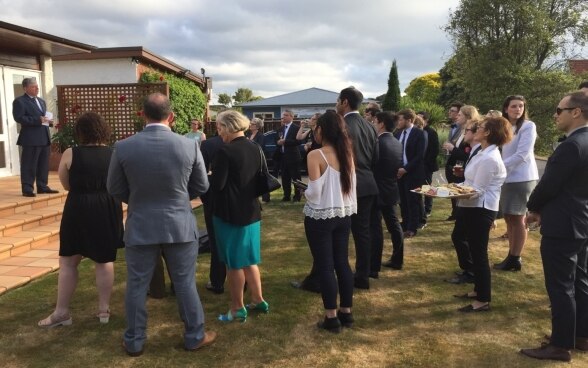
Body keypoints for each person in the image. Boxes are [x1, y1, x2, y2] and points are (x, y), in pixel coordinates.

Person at [107, 93, 215, 355]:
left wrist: (138, 200)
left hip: (141, 223)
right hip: (179, 224)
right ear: (172, 116)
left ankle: (134, 341)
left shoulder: (123, 147)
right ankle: (194, 335)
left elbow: (114, 188)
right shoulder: (189, 146)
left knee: (136, 285)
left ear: (142, 115)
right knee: (185, 283)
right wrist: (178, 198)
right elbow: (202, 186)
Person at [37, 112, 124, 328]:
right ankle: (104, 310)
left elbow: (66, 184)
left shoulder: (70, 153)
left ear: (81, 132)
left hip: (79, 205)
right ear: (104, 130)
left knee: (68, 260)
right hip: (107, 206)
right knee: (104, 260)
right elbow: (119, 183)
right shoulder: (114, 154)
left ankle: (62, 312)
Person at [520, 91, 588, 362]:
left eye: (559, 110)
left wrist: (533, 207)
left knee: (560, 285)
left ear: (576, 112)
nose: (555, 115)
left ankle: (560, 345)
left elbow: (549, 184)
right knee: (580, 280)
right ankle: (581, 334)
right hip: (581, 221)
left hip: (563, 223)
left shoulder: (572, 145)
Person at [210, 110, 268, 322]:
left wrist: (211, 175)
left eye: (219, 127)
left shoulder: (225, 152)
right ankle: (258, 299)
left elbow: (218, 185)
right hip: (251, 210)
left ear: (227, 127)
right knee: (250, 260)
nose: (218, 132)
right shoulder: (255, 146)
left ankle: (237, 308)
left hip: (229, 213)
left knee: (233, 263)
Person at [303, 111, 357, 333]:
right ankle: (346, 311)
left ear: (321, 130)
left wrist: (304, 191)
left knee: (325, 266)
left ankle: (331, 317)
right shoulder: (347, 153)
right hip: (343, 215)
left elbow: (314, 193)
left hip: (320, 216)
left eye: (315, 127)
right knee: (342, 263)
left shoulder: (316, 155)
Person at [454, 116, 512, 312]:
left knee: (479, 253)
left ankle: (483, 299)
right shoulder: (482, 153)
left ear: (487, 133)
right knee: (468, 244)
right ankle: (478, 289)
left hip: (481, 208)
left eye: (480, 127)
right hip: (471, 206)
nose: (476, 129)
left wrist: (452, 193)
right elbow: (470, 183)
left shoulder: (489, 158)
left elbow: (478, 190)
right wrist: (450, 187)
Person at [335, 86, 378, 289]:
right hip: (368, 182)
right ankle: (363, 275)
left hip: (349, 184)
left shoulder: (342, 125)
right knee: (363, 232)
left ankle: (341, 273)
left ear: (345, 102)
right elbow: (375, 158)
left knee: (340, 232)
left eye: (337, 101)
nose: (336, 104)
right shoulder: (370, 126)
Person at [494, 95, 539, 271]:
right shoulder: (506, 126)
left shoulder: (528, 126)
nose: (517, 109)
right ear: (506, 108)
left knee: (519, 218)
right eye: (514, 106)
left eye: (521, 106)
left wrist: (498, 167)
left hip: (523, 178)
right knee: (509, 218)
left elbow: (523, 154)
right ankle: (511, 255)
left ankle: (515, 258)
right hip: (507, 177)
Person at [445, 120, 481, 285]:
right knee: (460, 236)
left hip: (476, 203)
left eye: (467, 131)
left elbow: (479, 184)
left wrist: (456, 188)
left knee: (461, 237)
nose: (464, 133)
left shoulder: (481, 152)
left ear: (475, 134)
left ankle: (471, 271)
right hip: (467, 199)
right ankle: (469, 269)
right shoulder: (474, 150)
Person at [12, 77, 59, 197]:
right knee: (29, 164)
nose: (37, 88)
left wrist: (49, 121)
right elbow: (19, 118)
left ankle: (42, 186)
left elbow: (43, 117)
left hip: (44, 137)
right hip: (30, 139)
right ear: (25, 88)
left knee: (43, 164)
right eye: (33, 86)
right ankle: (27, 188)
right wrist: (37, 120)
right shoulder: (20, 101)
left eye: (37, 86)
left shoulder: (41, 101)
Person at [371, 111, 404, 271]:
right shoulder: (397, 142)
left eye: (375, 121)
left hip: (377, 189)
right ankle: (398, 259)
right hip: (391, 188)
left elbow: (372, 165)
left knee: (376, 228)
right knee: (394, 225)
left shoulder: (378, 142)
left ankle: (374, 265)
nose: (373, 124)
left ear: (381, 123)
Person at [394, 109, 426, 239]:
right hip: (399, 172)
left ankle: (412, 227)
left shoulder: (419, 134)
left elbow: (419, 156)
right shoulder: (397, 134)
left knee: (413, 200)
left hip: (413, 172)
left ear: (409, 120)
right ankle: (405, 223)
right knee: (402, 200)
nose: (398, 122)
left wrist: (406, 169)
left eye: (401, 119)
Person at [200, 134, 226, 294]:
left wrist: (205, 197)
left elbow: (200, 175)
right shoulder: (251, 145)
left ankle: (217, 281)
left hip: (215, 199)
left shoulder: (208, 144)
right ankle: (244, 282)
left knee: (216, 241)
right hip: (242, 203)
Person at [443, 105, 478, 220]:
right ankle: (456, 214)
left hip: (463, 169)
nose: (457, 116)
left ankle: (459, 216)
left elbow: (468, 155)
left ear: (468, 116)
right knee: (455, 193)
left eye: (460, 114)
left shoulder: (472, 133)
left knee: (461, 196)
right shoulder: (462, 131)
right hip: (455, 167)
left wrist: (453, 149)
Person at [417, 111, 440, 218]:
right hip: (418, 165)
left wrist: (426, 163)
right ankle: (419, 208)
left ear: (426, 120)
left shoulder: (431, 132)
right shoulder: (417, 131)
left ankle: (428, 208)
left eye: (420, 118)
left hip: (427, 165)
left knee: (427, 186)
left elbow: (434, 150)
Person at [277, 110, 302, 202]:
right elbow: (277, 141)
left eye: (286, 115)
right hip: (283, 157)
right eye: (283, 115)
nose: (283, 117)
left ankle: (297, 196)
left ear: (292, 117)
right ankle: (286, 196)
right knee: (285, 177)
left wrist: (285, 142)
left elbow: (299, 142)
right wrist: (278, 142)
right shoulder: (280, 128)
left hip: (293, 157)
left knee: (296, 178)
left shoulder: (296, 128)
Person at [247, 117, 270, 203]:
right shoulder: (249, 135)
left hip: (258, 159)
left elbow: (259, 147)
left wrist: (249, 142)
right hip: (250, 159)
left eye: (252, 124)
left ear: (257, 126)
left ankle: (266, 198)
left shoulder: (261, 136)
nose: (250, 125)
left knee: (262, 178)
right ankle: (253, 196)